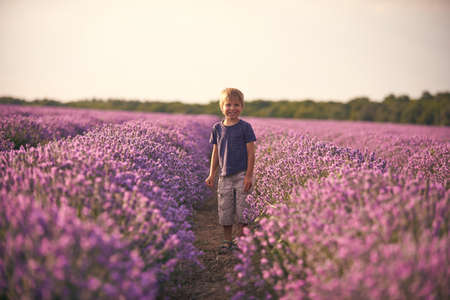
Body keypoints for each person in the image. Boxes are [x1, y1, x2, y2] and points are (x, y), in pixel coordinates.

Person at [205, 88, 256, 254]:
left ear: (242, 107)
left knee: (243, 211)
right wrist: (212, 173)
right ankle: (227, 242)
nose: (232, 108)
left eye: (236, 105)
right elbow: (215, 153)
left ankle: (241, 242)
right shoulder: (217, 128)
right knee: (225, 210)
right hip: (224, 176)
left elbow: (251, 153)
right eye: (228, 105)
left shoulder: (245, 127)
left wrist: (249, 176)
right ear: (221, 107)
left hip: (242, 175)